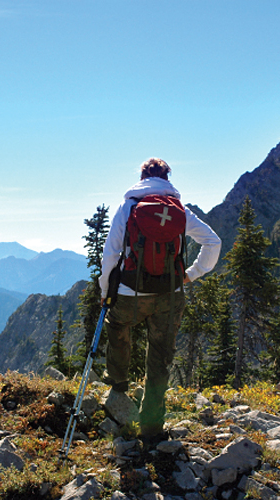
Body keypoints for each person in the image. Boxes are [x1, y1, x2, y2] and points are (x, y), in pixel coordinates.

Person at [98, 157, 221, 443]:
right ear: (168, 178)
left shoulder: (128, 207)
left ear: (141, 177)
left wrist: (106, 292)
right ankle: (152, 427)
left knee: (118, 329)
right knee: (160, 355)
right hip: (169, 294)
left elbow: (110, 255)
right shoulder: (179, 211)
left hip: (130, 291)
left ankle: (118, 385)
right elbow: (213, 242)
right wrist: (191, 275)